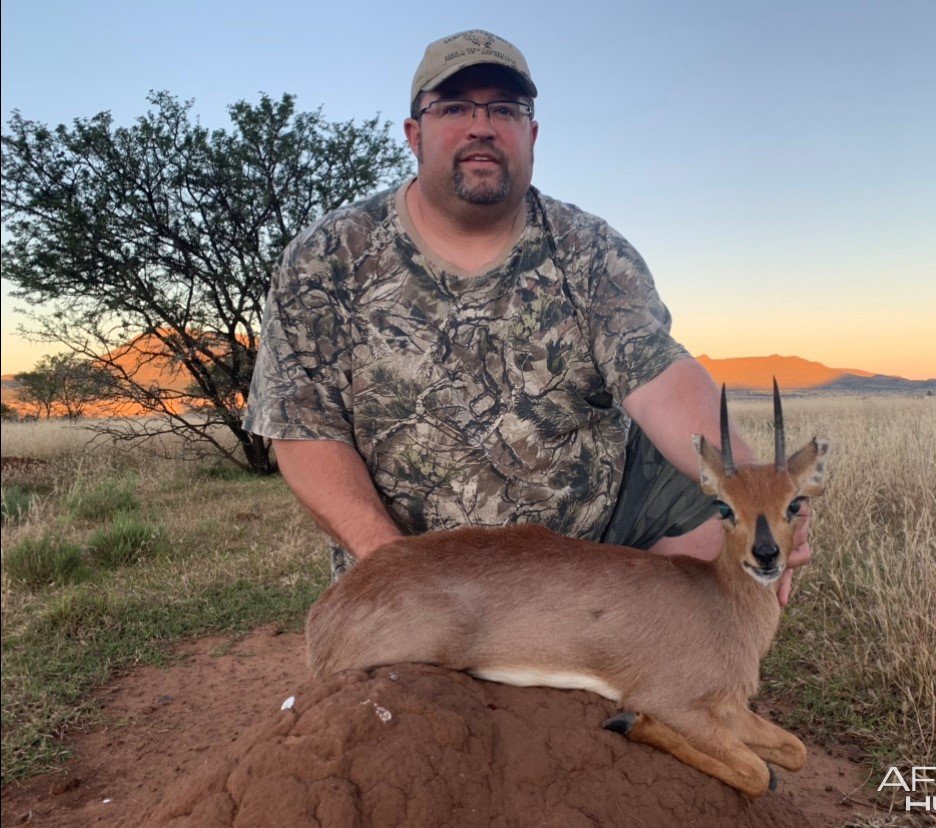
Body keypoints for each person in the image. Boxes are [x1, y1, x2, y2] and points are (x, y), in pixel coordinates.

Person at [244, 29, 811, 604]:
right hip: (417, 565)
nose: (481, 125)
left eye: (505, 110)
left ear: (531, 135)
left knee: (711, 503)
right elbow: (302, 427)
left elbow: (658, 375)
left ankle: (623, 661)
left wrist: (757, 489)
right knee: (408, 661)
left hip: (587, 549)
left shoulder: (591, 250)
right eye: (455, 107)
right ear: (414, 134)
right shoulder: (328, 256)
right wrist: (392, 564)